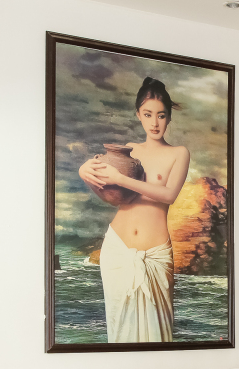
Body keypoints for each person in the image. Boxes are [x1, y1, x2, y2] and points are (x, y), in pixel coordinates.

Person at [78, 77, 190, 343]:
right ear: (138, 115)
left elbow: (169, 195)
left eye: (161, 115)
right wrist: (84, 170)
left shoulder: (179, 153)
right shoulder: (129, 151)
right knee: (119, 332)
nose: (154, 123)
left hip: (156, 254)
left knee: (159, 336)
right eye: (148, 114)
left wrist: (121, 179)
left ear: (169, 117)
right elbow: (108, 189)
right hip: (117, 249)